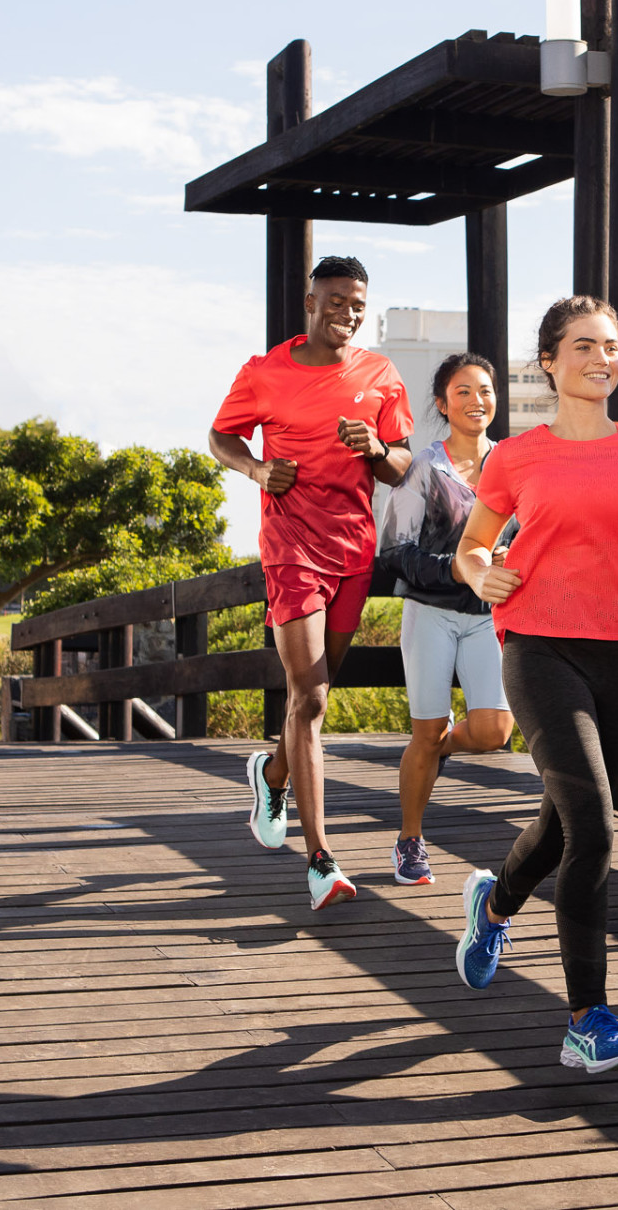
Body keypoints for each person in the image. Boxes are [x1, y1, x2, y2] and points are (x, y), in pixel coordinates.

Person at [451, 295, 618, 1073]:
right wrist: (484, 576)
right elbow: (470, 549)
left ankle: (495, 902)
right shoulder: (516, 456)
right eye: (583, 347)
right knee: (596, 826)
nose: (602, 359)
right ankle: (588, 1020)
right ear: (548, 362)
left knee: (563, 821)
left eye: (611, 347)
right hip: (538, 646)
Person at [209, 255, 413, 911]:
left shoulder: (380, 374)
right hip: (289, 547)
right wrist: (256, 471)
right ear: (310, 301)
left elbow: (400, 467)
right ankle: (321, 860)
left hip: (354, 550)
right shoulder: (265, 372)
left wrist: (376, 451)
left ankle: (271, 773)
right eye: (335, 300)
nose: (347, 313)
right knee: (313, 697)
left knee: (312, 701)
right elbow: (220, 437)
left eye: (357, 303)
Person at [378, 352, 515, 886]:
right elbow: (395, 550)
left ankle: (442, 748)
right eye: (462, 391)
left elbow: (533, 534)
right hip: (431, 613)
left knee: (494, 730)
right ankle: (410, 840)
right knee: (425, 730)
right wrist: (459, 569)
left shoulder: (512, 465)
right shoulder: (421, 469)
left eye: (484, 390)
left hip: (489, 614)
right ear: (442, 403)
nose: (476, 401)